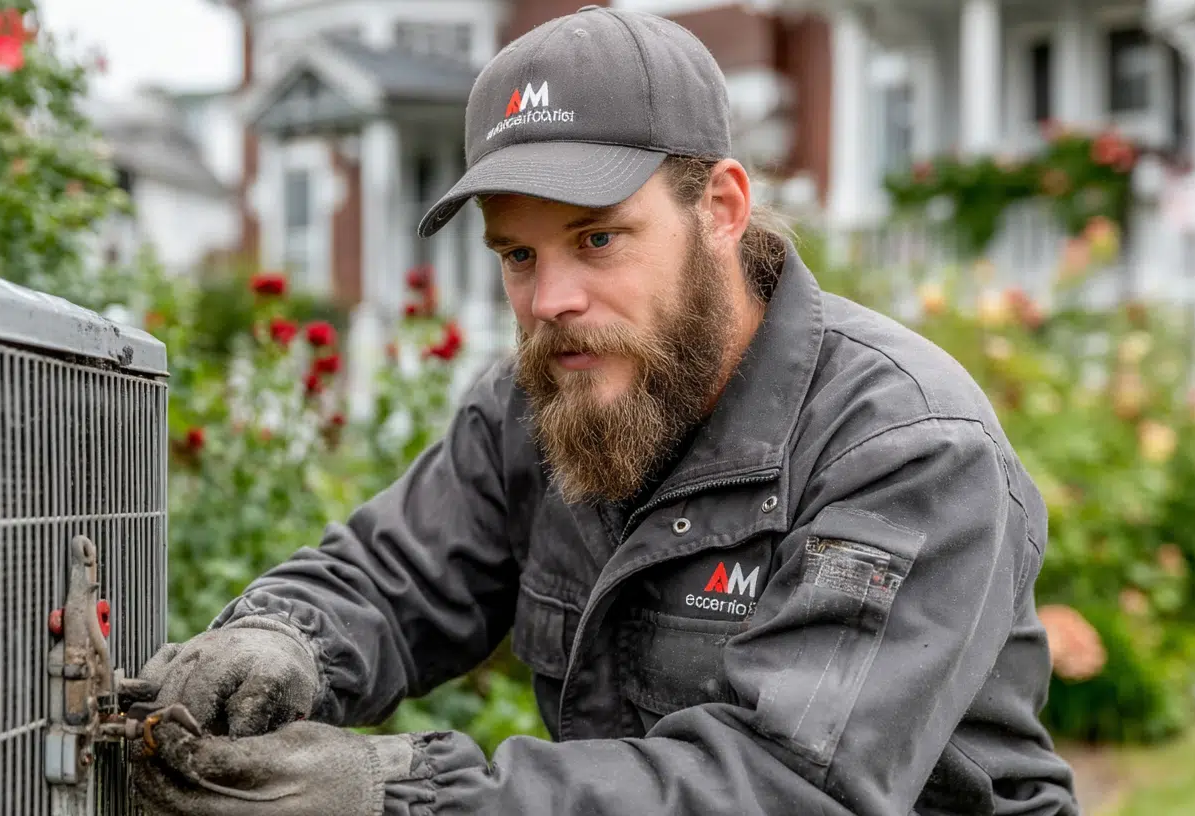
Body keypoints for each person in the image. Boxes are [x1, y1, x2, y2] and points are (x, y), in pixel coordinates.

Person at [126, 6, 1080, 815]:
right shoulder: (547, 396)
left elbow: (780, 785)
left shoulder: (906, 447)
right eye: (519, 255)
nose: (551, 301)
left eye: (597, 237)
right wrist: (282, 638)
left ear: (721, 208)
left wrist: (405, 793)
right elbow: (394, 574)